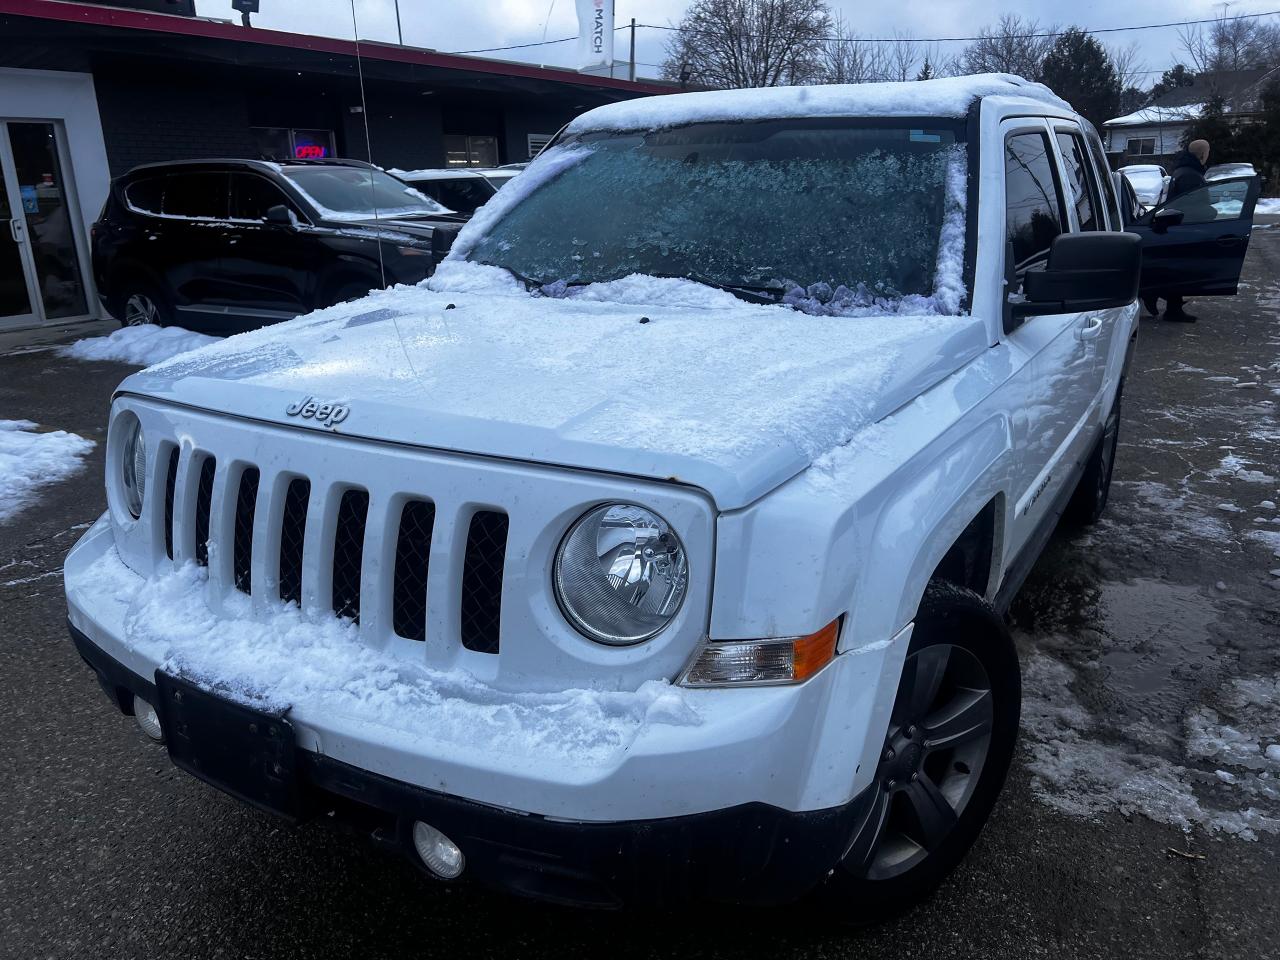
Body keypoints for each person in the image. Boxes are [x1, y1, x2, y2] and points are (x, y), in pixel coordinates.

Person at [1142, 139, 1210, 323]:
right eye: (1207, 152)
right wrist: (1212, 211)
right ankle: (1158, 297)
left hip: (1178, 224)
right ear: (1202, 154)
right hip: (1185, 227)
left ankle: (1170, 305)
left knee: (1178, 270)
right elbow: (1192, 204)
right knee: (1180, 270)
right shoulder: (1190, 175)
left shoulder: (1184, 171)